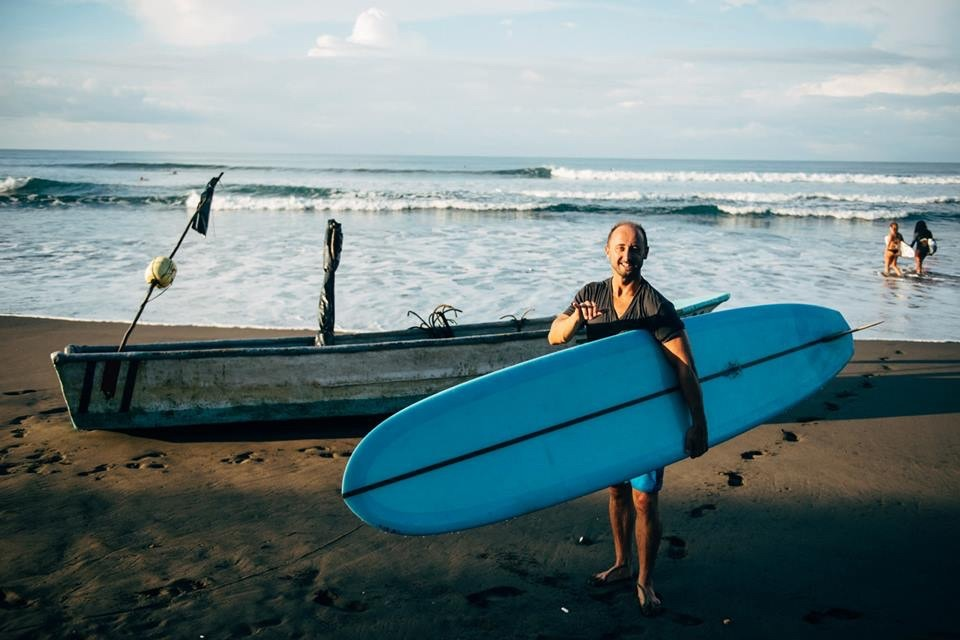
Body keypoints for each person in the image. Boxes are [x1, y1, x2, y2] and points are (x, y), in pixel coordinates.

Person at [548, 221, 708, 616]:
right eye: (620, 247)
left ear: (645, 254)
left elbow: (685, 367)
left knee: (643, 498)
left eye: (635, 249)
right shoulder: (590, 295)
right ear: (606, 251)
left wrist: (699, 422)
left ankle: (645, 580)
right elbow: (555, 335)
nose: (627, 255)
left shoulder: (656, 306)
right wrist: (575, 321)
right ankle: (622, 565)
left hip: (644, 417)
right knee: (617, 490)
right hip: (607, 415)